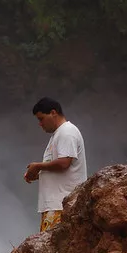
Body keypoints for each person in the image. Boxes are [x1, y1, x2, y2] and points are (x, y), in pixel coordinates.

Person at [24, 97, 87, 232]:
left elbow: (64, 163)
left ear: (53, 112)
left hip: (62, 205)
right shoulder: (58, 134)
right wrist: (39, 173)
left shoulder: (67, 132)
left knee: (54, 249)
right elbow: (60, 167)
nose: (40, 124)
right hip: (56, 205)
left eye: (41, 119)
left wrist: (38, 166)